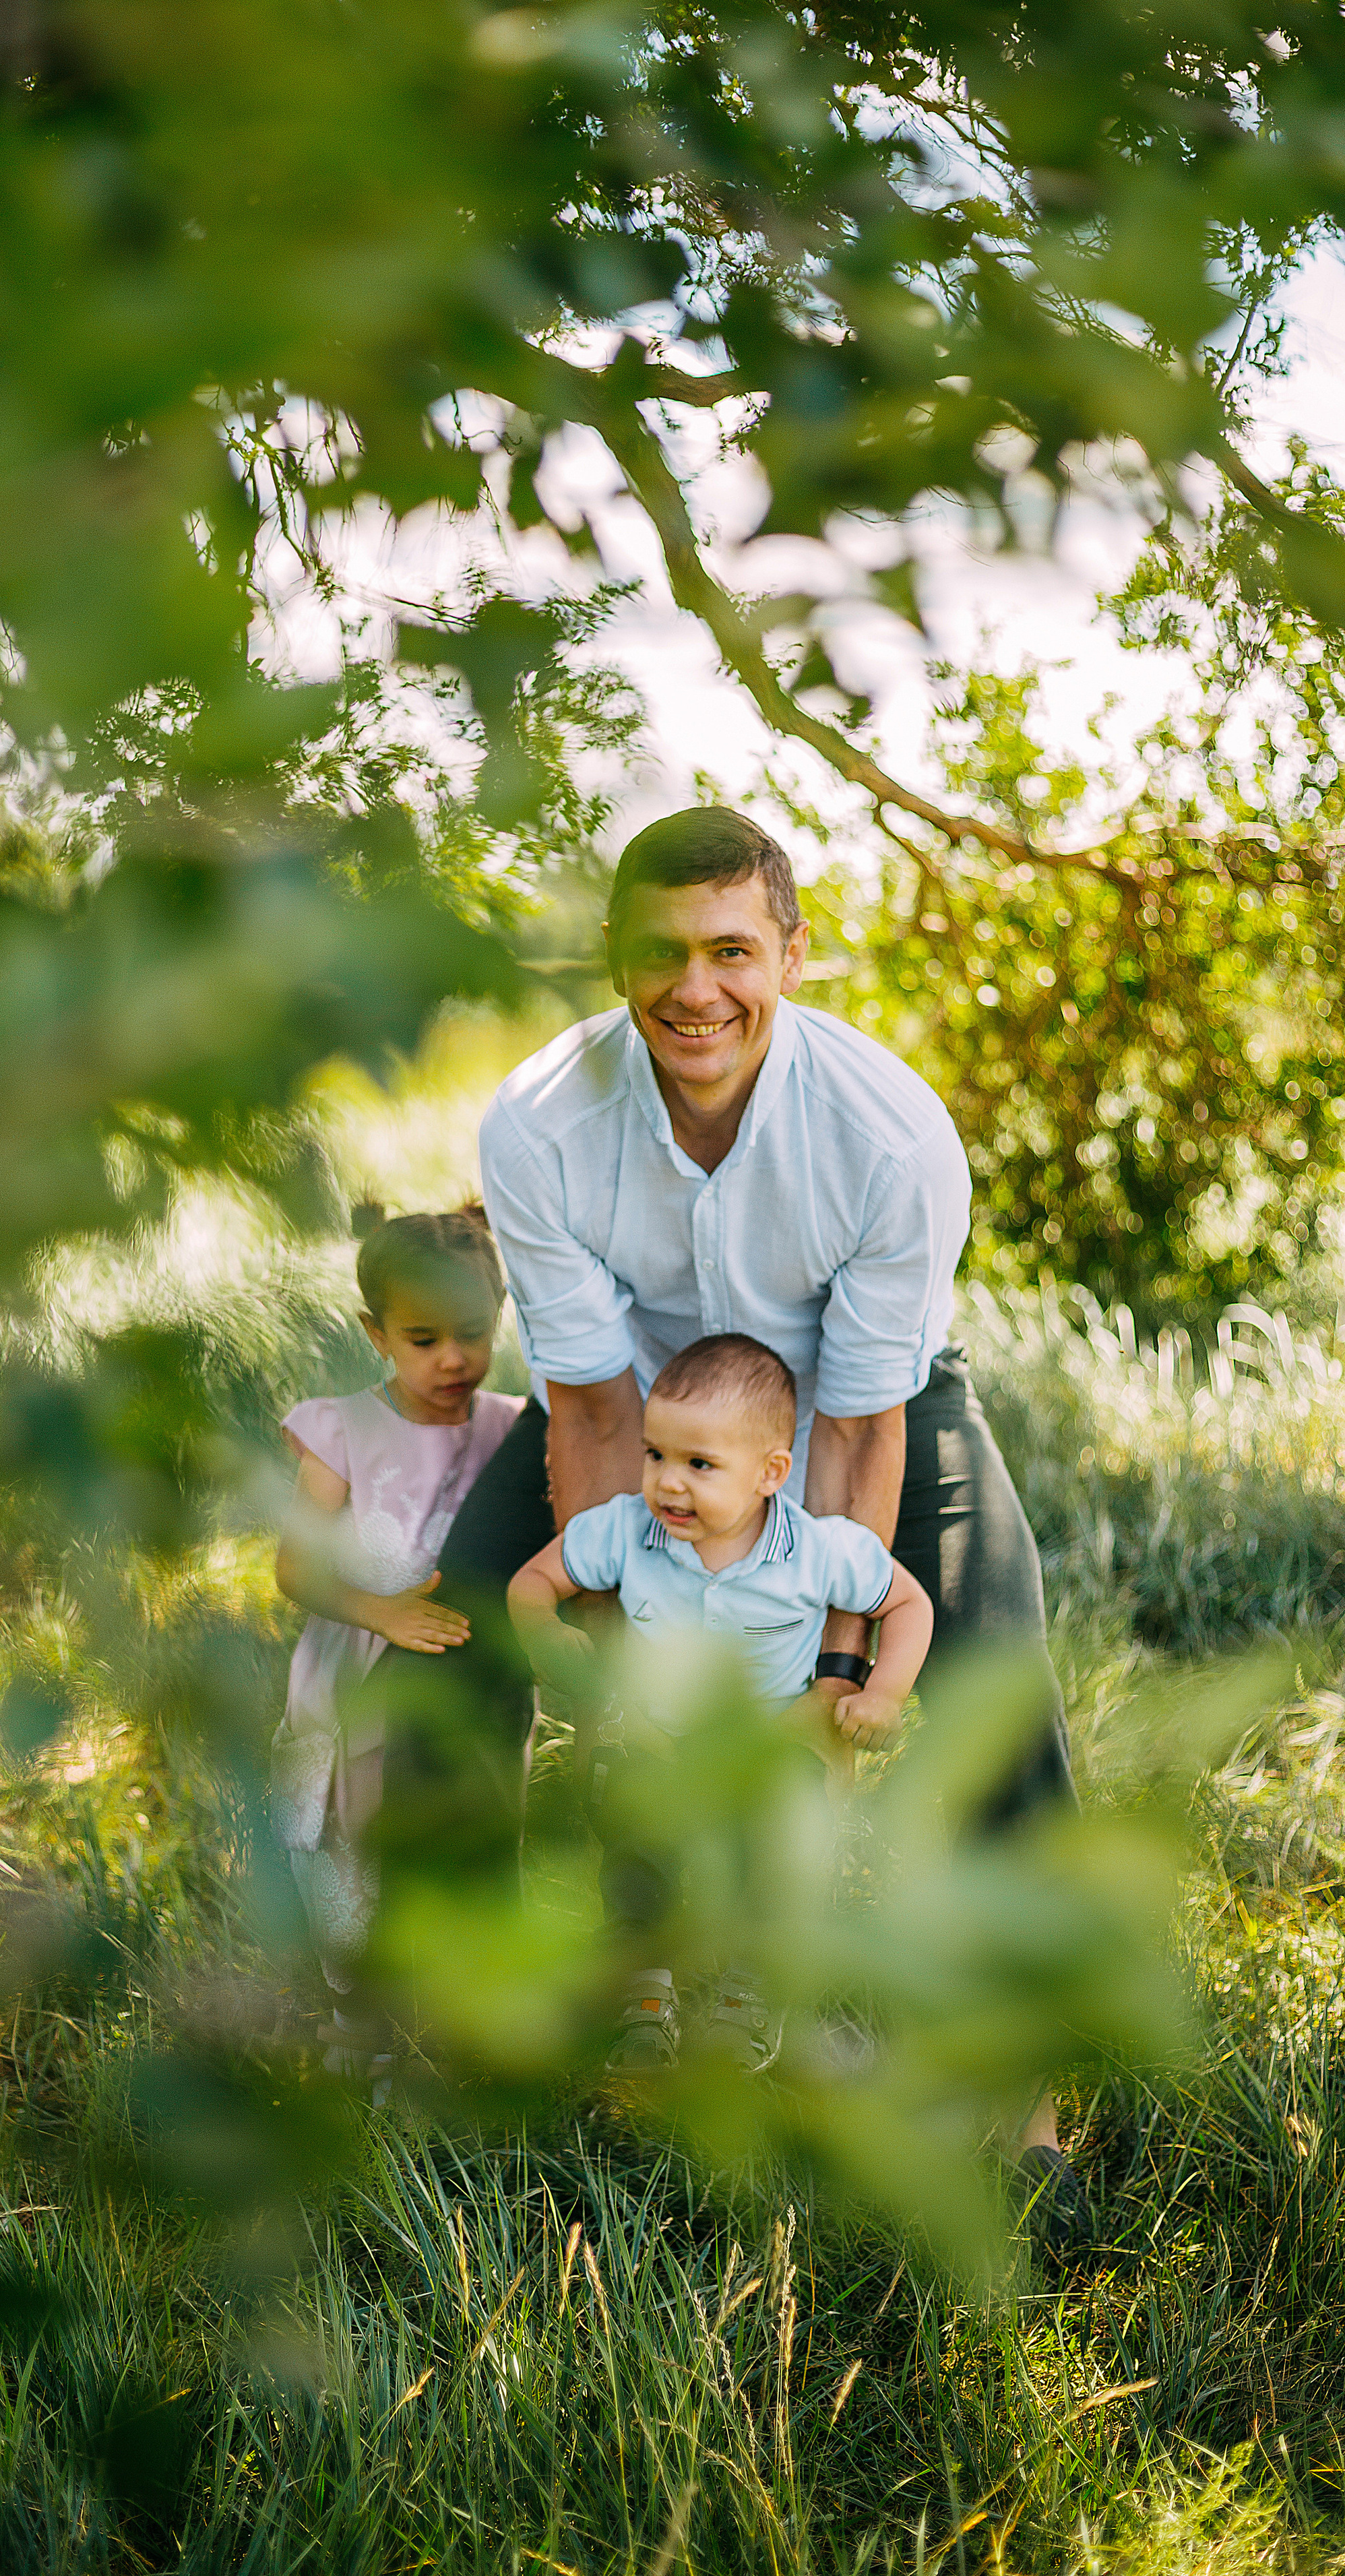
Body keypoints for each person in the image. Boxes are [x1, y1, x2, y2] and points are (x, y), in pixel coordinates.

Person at [352, 803, 1081, 2217]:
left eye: (732, 950)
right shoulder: (539, 1123)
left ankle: (1025, 2080)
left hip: (873, 1403)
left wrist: (825, 1670)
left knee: (989, 1651)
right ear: (614, 958)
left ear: (792, 956)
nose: (697, 990)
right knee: (446, 1637)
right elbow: (586, 1409)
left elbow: (861, 1425)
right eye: (662, 953)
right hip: (645, 1414)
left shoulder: (887, 1139)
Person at [508, 1331, 933, 2069]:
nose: (668, 1484)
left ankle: (749, 1989)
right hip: (660, 1734)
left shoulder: (818, 1551)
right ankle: (644, 1989)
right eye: (655, 1455)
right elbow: (533, 1582)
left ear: (771, 1473)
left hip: (765, 1738)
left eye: (699, 1465)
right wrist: (545, 1632)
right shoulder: (625, 1532)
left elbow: (908, 1605)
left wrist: (883, 1693)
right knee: (632, 1822)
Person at [270, 1202, 522, 2091]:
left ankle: (459, 2018)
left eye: (471, 1333)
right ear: (375, 1332)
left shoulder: (508, 1426)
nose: (452, 1360)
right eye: (422, 1339)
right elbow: (295, 1568)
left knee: (462, 1837)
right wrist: (382, 1614)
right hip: (364, 1678)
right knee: (362, 1842)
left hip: (463, 1687)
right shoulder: (343, 1430)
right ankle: (361, 2018)